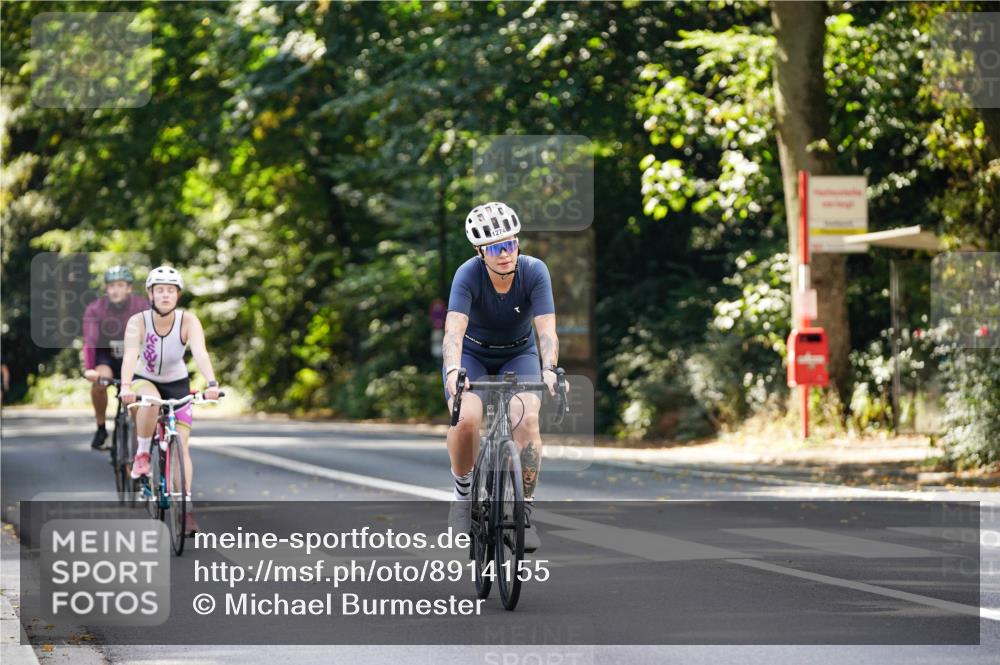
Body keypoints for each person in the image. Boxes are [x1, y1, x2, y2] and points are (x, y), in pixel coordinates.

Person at [442, 201, 566, 553]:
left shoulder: (534, 271)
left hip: (518, 353)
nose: (505, 254)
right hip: (473, 354)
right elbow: (454, 331)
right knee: (466, 419)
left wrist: (549, 367)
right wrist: (453, 370)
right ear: (481, 252)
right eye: (496, 248)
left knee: (526, 419)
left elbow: (546, 331)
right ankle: (463, 493)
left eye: (510, 244)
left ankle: (524, 509)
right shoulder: (467, 274)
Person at [120, 266, 221, 535]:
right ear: (150, 294)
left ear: (178, 295)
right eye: (160, 290)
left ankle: (186, 511)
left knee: (182, 449)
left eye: (171, 290)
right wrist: (127, 386)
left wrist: (211, 383)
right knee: (150, 401)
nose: (165, 295)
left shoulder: (189, 321)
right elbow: (130, 355)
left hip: (178, 384)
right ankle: (142, 453)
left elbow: (200, 352)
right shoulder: (138, 321)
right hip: (145, 379)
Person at [82, 266, 148, 450]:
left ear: (129, 288)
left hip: (135, 356)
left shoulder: (142, 306)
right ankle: (101, 428)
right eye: (111, 286)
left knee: (138, 395)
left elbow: (152, 337)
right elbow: (90, 340)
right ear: (106, 289)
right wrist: (89, 369)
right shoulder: (95, 309)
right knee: (100, 383)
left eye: (120, 285)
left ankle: (139, 440)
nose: (115, 290)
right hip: (107, 357)